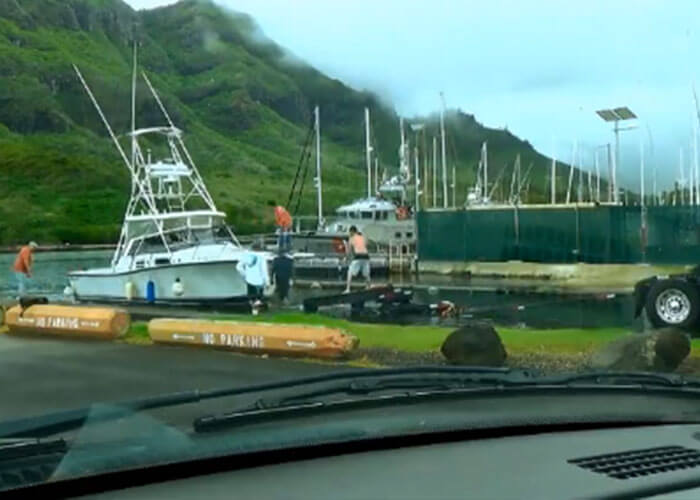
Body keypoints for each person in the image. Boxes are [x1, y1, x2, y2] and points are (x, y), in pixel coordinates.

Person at [345, 226, 370, 293]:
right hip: (366, 256)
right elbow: (367, 244)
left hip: (358, 256)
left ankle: (348, 289)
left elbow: (349, 251)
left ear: (352, 231)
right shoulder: (362, 237)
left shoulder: (351, 238)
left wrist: (346, 258)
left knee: (349, 272)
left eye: (349, 232)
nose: (349, 233)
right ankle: (368, 287)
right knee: (366, 274)